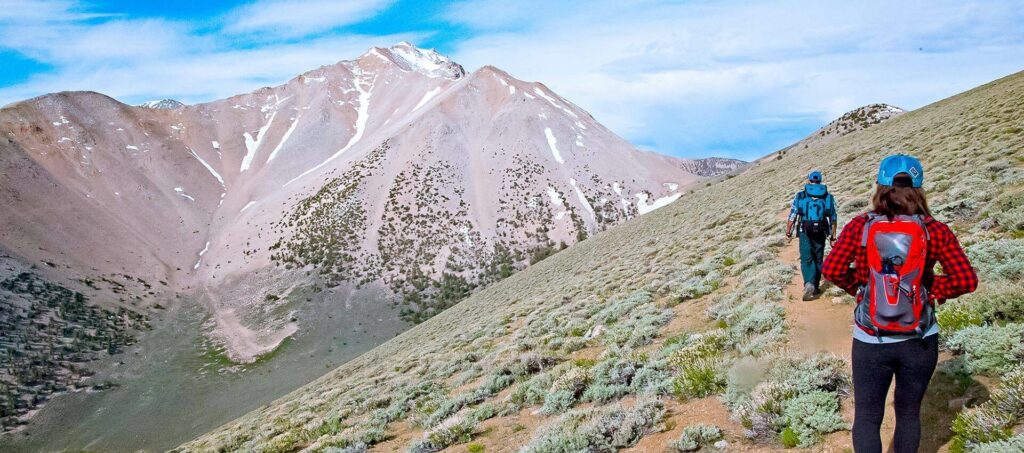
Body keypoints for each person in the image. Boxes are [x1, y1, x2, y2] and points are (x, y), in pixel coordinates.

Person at [823, 154, 978, 453]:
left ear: (880, 187)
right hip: (919, 338)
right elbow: (965, 280)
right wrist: (928, 291)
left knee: (867, 417)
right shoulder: (935, 229)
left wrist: (863, 289)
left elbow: (831, 270)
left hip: (870, 337)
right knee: (908, 414)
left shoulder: (860, 226)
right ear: (919, 189)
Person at [785, 170, 838, 300]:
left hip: (805, 230)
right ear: (820, 181)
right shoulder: (828, 196)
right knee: (818, 258)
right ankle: (815, 285)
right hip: (821, 230)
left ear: (809, 180)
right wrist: (833, 236)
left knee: (806, 257)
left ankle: (809, 283)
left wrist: (788, 231)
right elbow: (833, 217)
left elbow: (793, 214)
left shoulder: (801, 195)